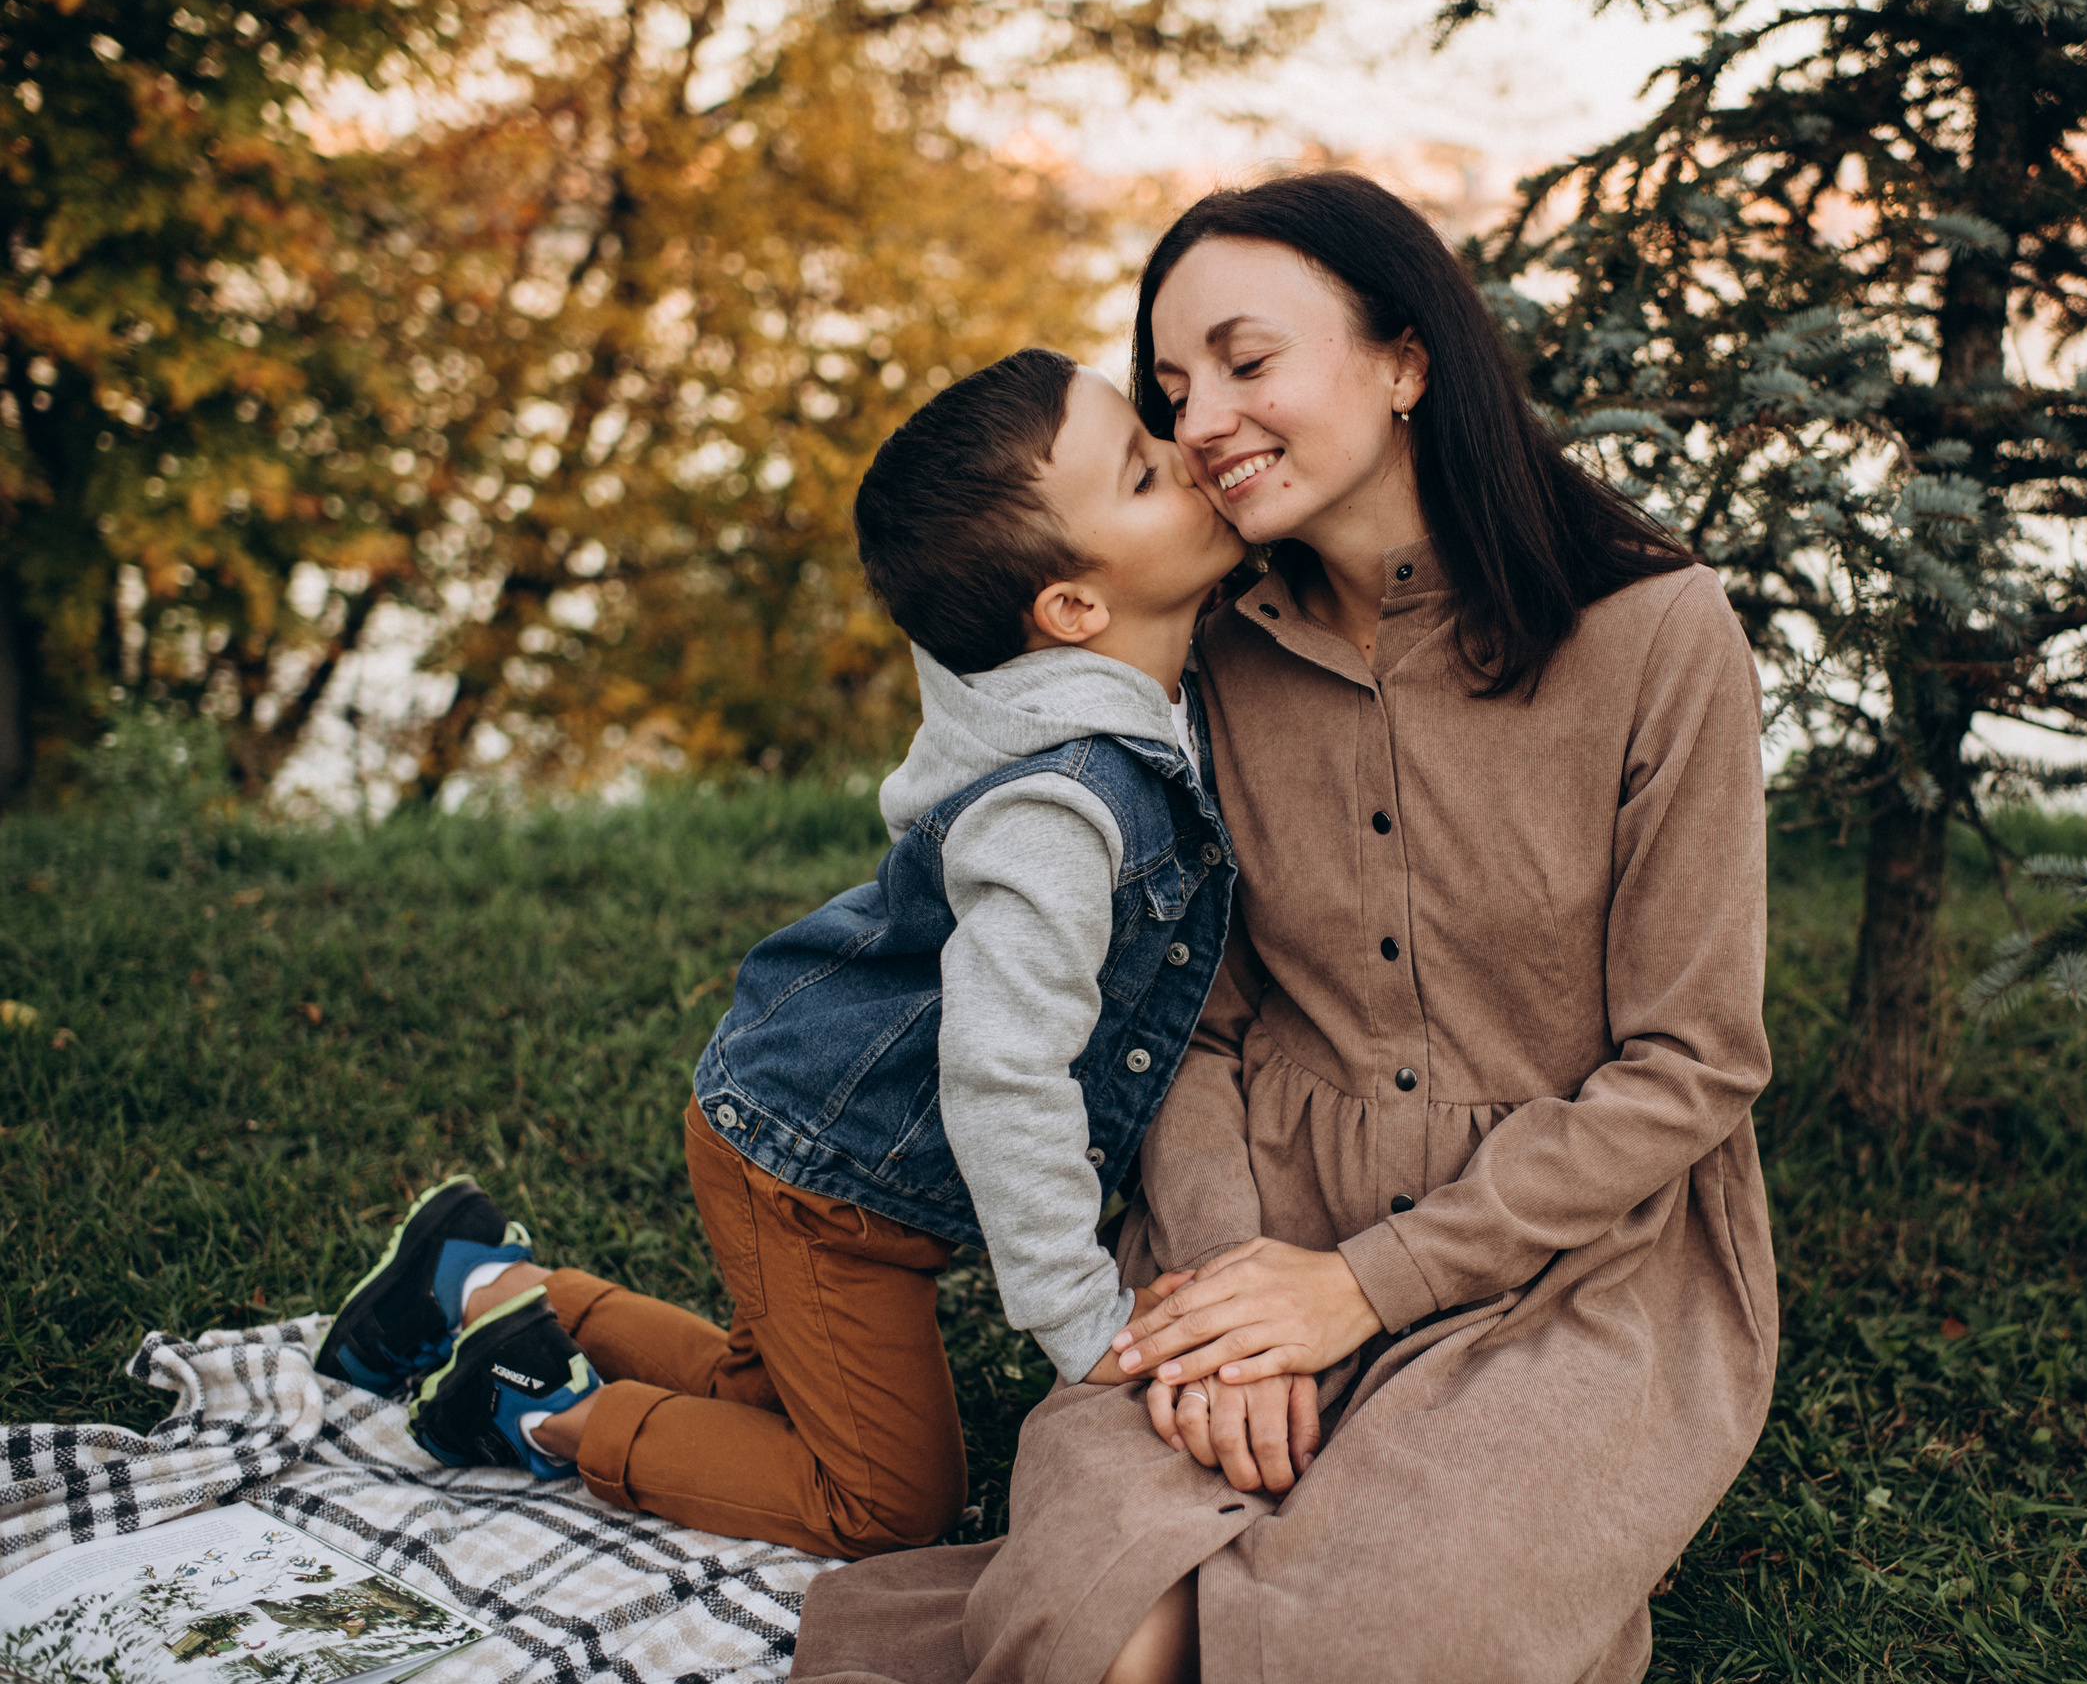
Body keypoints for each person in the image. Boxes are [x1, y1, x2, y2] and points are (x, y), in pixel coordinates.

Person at [789, 171, 1777, 1684]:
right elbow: (1196, 1022)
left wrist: (1362, 1291)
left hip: (1574, 1254)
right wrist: (1229, 1291)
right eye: (1172, 389)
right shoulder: (1201, 659)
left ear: (1404, 360)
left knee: (1378, 1643)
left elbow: (1691, 1065)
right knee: (1100, 1634)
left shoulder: (1657, 632)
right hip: (1250, 1213)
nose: (1200, 423)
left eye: (1247, 363)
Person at [311, 349, 1247, 1559]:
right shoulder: (1060, 815)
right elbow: (1002, 1077)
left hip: (812, 1136)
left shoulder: (1099, 695)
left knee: (765, 1401)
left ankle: (478, 1286)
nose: (1187, 449)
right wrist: (1080, 1317)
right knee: (884, 1507)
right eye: (1141, 470)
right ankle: (538, 1411)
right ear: (1071, 612)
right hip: (814, 1185)